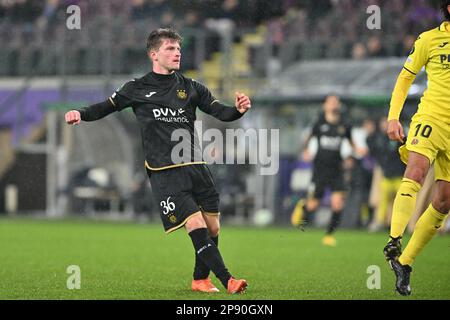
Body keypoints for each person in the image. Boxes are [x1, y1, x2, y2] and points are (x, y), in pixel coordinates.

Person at [64, 28, 251, 294]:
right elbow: (104, 107)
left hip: (196, 167)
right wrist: (79, 113)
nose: (177, 54)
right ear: (154, 54)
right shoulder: (136, 88)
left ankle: (199, 279)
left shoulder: (191, 87)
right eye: (170, 49)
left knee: (212, 226)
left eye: (178, 49)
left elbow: (220, 111)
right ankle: (229, 279)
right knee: (195, 224)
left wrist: (238, 110)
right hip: (165, 172)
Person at [383, 0, 450, 296]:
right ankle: (394, 238)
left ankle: (405, 263)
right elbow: (405, 77)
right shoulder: (429, 39)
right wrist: (393, 117)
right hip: (431, 119)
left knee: (445, 200)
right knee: (417, 170)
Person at [291, 95, 365, 246]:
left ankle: (329, 235)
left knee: (338, 203)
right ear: (325, 105)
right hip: (320, 169)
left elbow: (352, 142)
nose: (333, 105)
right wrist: (305, 151)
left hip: (337, 169)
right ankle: (303, 206)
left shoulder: (344, 124)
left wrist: (358, 149)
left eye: (335, 102)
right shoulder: (319, 123)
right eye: (330, 102)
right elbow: (307, 139)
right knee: (313, 205)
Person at [366, 117, 405, 232]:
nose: (385, 126)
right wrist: (370, 134)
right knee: (382, 202)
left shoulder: (400, 136)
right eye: (384, 123)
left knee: (400, 203)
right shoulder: (380, 139)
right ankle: (379, 222)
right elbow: (372, 148)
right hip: (387, 176)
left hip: (399, 175)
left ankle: (400, 224)